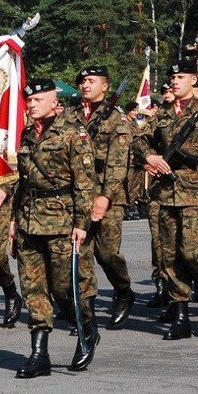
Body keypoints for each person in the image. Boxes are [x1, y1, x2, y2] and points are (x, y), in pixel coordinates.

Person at [134, 60, 198, 341]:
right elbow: (137, 140)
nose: (175, 81)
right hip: (164, 192)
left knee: (193, 253)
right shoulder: (160, 114)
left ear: (194, 79)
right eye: (172, 76)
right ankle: (181, 314)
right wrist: (149, 156)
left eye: (181, 76)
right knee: (168, 256)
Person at [11, 78, 97, 378]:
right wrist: (13, 220)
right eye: (29, 100)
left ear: (53, 102)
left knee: (65, 289)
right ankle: (39, 353)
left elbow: (85, 183)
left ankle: (86, 327)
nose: (31, 104)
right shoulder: (26, 134)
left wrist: (81, 223)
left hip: (62, 219)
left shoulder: (74, 134)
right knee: (33, 289)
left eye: (37, 99)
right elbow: (22, 183)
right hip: (29, 220)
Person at [73, 66, 136, 330]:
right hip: (79, 195)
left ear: (106, 86)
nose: (86, 85)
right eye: (83, 81)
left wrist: (105, 196)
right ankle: (87, 312)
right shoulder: (71, 115)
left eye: (91, 81)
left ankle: (123, 290)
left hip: (107, 195)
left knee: (108, 253)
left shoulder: (117, 120)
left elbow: (118, 163)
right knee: (82, 254)